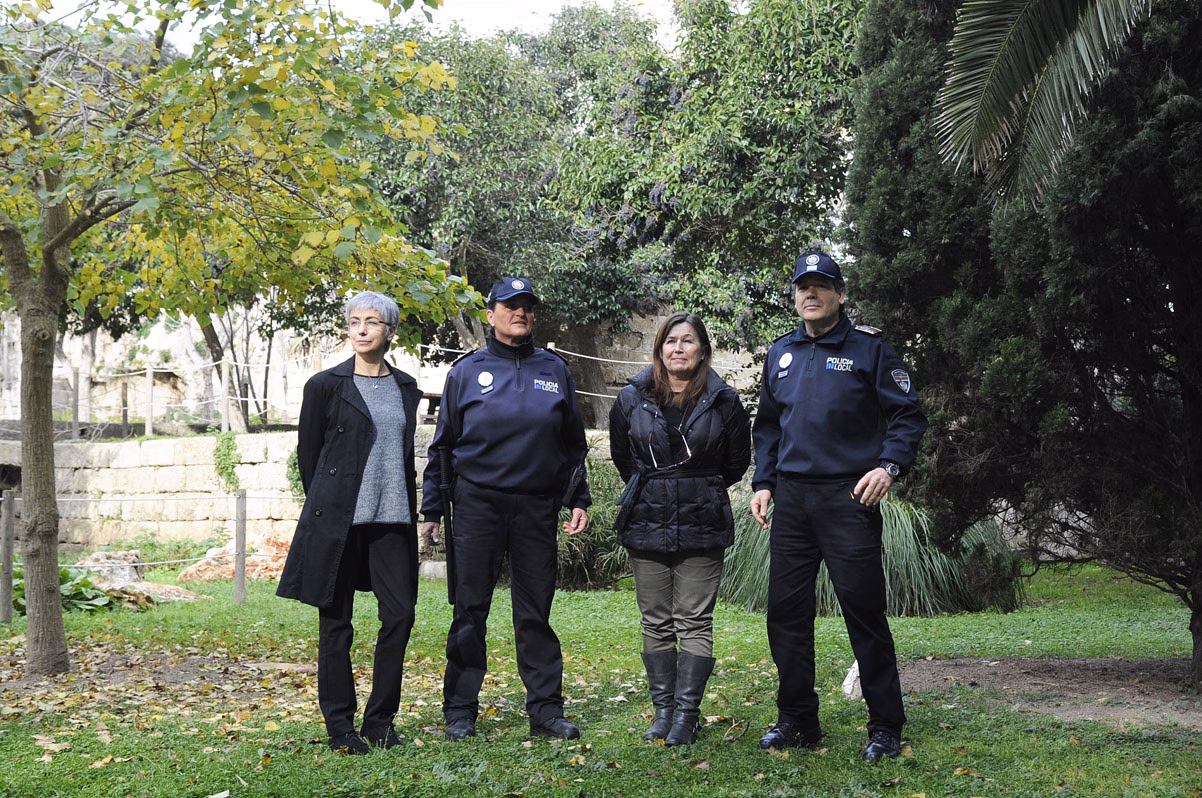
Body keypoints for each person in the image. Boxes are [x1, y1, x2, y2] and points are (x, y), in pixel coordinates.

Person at [750, 252, 927, 762]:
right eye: (803, 286)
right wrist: (763, 482)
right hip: (792, 502)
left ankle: (886, 726)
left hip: (849, 498)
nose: (811, 294)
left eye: (822, 286)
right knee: (786, 614)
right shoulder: (779, 353)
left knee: (863, 613)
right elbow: (767, 428)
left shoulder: (870, 350)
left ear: (840, 294)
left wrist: (888, 467)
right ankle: (798, 721)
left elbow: (907, 417)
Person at [421, 276, 591, 742]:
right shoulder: (465, 372)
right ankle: (460, 710)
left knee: (535, 612)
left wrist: (578, 499)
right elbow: (443, 448)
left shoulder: (555, 370)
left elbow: (573, 446)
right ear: (490, 313)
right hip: (478, 505)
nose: (520, 313)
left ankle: (546, 711)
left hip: (537, 506)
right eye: (510, 306)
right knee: (469, 609)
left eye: (527, 306)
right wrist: (432, 511)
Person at [277, 291, 422, 755]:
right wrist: (332, 505)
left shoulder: (406, 386)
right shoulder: (325, 385)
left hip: (393, 520)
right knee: (336, 623)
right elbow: (310, 457)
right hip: (339, 522)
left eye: (372, 322)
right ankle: (340, 726)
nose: (361, 329)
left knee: (399, 616)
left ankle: (380, 720)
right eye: (355, 321)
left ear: (389, 332)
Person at [609, 312, 751, 746]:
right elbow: (623, 458)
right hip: (647, 516)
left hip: (702, 518)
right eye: (671, 341)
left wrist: (698, 487)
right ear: (659, 349)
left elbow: (735, 463)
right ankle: (662, 711)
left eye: (688, 341)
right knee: (655, 620)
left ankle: (687, 714)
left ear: (702, 350)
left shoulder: (723, 400)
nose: (678, 348)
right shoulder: (632, 398)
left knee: (692, 618)